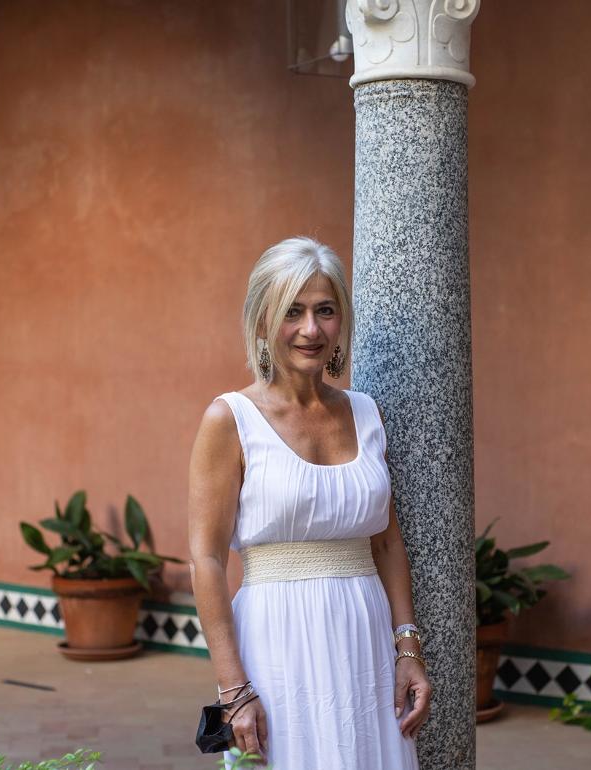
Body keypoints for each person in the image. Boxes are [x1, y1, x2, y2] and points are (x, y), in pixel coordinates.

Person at [187, 236, 431, 769]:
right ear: (260, 321)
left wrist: (407, 649)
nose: (310, 329)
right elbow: (205, 559)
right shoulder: (229, 420)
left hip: (365, 642)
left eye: (325, 310)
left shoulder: (367, 414)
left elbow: (387, 542)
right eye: (291, 312)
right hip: (276, 644)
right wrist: (233, 687)